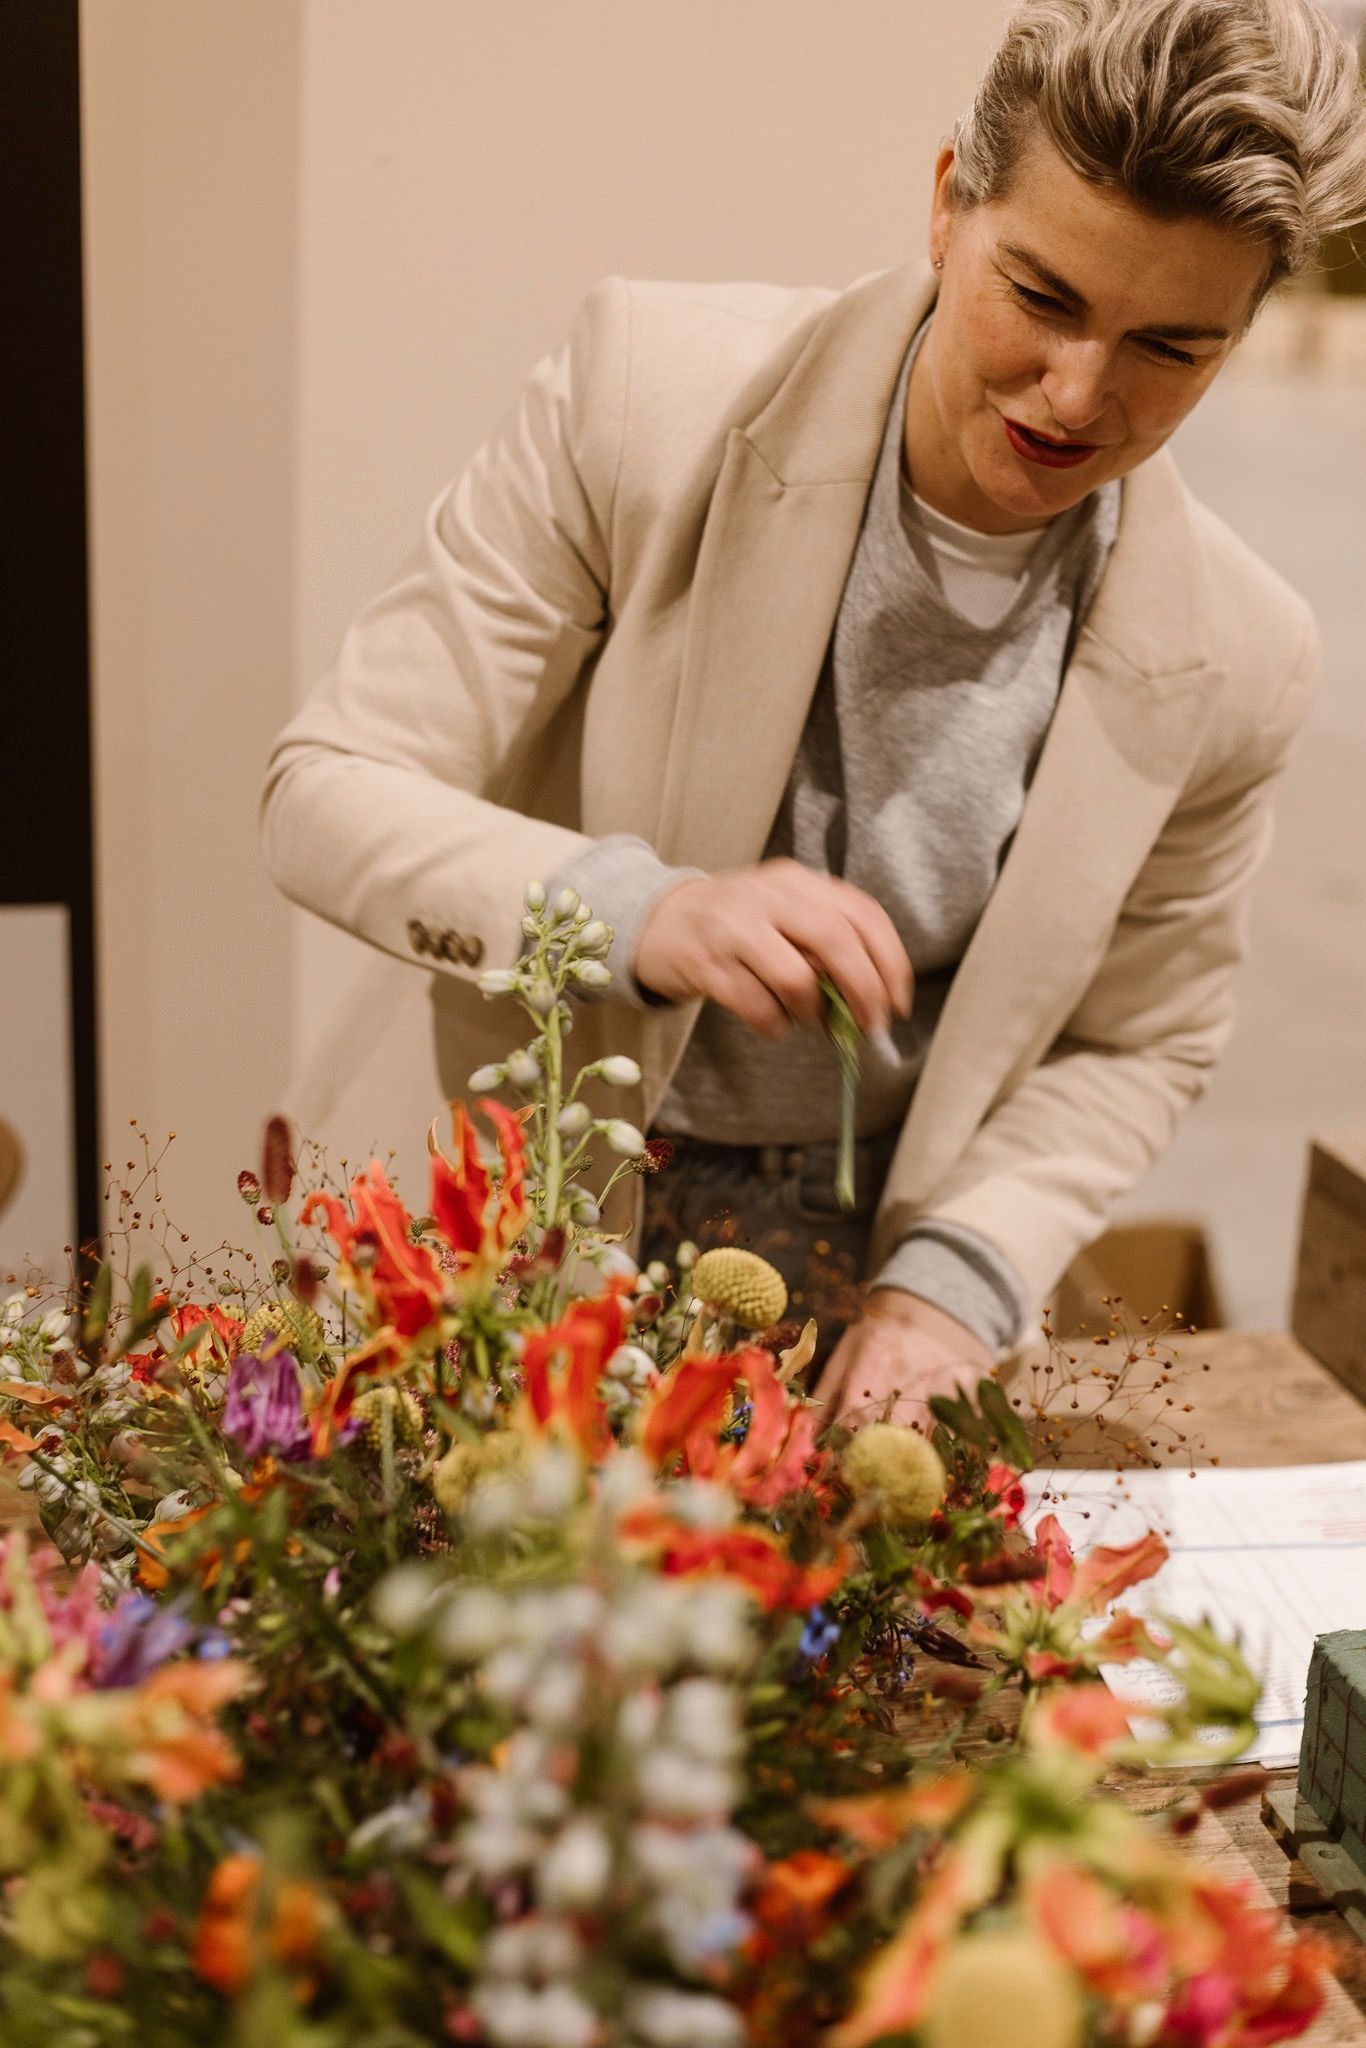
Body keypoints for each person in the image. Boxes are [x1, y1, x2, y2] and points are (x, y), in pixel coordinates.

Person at [262, 0, 1366, 1432]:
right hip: (521, 1197)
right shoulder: (644, 396)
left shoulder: (1240, 651)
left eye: (1170, 348)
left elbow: (1136, 1041)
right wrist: (640, 911)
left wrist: (953, 1282)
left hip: (879, 1271)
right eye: (1040, 298)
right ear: (946, 203)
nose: (1078, 394)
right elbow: (329, 787)